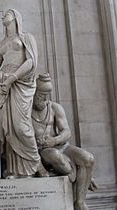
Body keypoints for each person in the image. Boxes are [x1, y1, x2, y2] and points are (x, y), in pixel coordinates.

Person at [0, 9, 46, 178]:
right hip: (5, 87)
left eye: (8, 13)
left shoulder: (26, 38)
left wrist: (11, 78)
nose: (4, 15)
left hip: (21, 83)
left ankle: (35, 163)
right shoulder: (2, 44)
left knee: (21, 127)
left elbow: (31, 61)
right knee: (9, 128)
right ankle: (17, 171)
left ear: (16, 18)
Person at [32, 73, 96, 210]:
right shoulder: (25, 111)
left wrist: (54, 140)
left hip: (60, 145)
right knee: (54, 154)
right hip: (43, 151)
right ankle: (82, 175)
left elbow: (67, 131)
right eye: (40, 95)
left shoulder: (55, 108)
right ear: (33, 92)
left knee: (88, 158)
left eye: (46, 96)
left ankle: (79, 202)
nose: (44, 99)